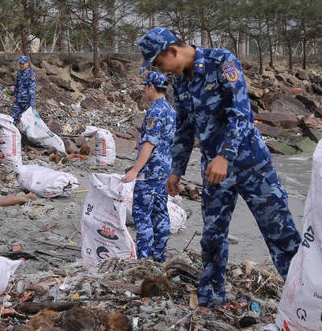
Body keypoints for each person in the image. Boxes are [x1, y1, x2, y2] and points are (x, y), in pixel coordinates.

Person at [138, 27, 301, 309]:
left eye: (158, 62)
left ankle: (305, 296)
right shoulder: (182, 83)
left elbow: (241, 113)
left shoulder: (221, 61)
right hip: (214, 171)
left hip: (252, 164)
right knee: (212, 236)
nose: (160, 70)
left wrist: (225, 155)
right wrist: (176, 169)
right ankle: (211, 298)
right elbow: (185, 128)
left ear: (172, 51)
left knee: (280, 231)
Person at [122, 71, 176, 262]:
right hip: (165, 170)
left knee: (142, 214)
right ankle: (160, 256)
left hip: (150, 172)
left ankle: (144, 259)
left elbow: (149, 143)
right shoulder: (171, 110)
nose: (144, 91)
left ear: (151, 87)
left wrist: (135, 170)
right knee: (161, 213)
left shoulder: (155, 111)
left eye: (145, 87)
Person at [12, 55, 36, 124]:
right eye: (20, 64)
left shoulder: (31, 74)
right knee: (14, 118)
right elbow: (17, 85)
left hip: (26, 100)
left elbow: (31, 88)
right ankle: (14, 133)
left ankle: (27, 134)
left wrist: (32, 101)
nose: (21, 65)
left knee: (28, 120)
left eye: (23, 64)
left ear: (27, 63)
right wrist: (15, 95)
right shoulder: (19, 72)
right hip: (18, 100)